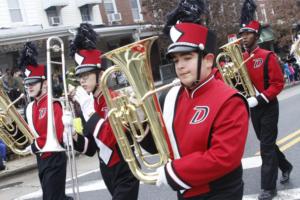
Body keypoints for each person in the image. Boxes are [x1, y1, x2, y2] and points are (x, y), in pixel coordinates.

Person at [146, 1, 249, 200]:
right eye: (176, 60)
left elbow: (223, 157)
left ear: (209, 60)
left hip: (220, 193)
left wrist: (173, 172)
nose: (180, 66)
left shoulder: (229, 100)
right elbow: (160, 147)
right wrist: (138, 123)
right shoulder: (171, 97)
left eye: (187, 58)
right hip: (185, 190)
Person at [67, 23, 139, 200]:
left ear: (100, 76)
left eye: (86, 77)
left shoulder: (113, 99)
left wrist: (86, 108)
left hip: (125, 167)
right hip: (106, 167)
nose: (81, 82)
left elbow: (109, 137)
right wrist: (73, 134)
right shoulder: (90, 103)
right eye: (80, 78)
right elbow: (91, 148)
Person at [239, 1, 293, 199]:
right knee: (266, 143)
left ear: (256, 35)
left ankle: (268, 188)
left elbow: (278, 84)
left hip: (268, 106)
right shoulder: (241, 58)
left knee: (266, 148)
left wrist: (259, 99)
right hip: (254, 108)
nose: (244, 37)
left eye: (247, 34)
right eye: (242, 34)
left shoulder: (267, 56)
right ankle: (286, 165)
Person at [20, 42, 72, 200]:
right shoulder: (32, 106)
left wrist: (35, 144)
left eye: (33, 83)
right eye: (27, 83)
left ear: (45, 83)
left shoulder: (53, 103)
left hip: (54, 157)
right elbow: (32, 132)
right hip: (42, 158)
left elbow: (57, 132)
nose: (29, 86)